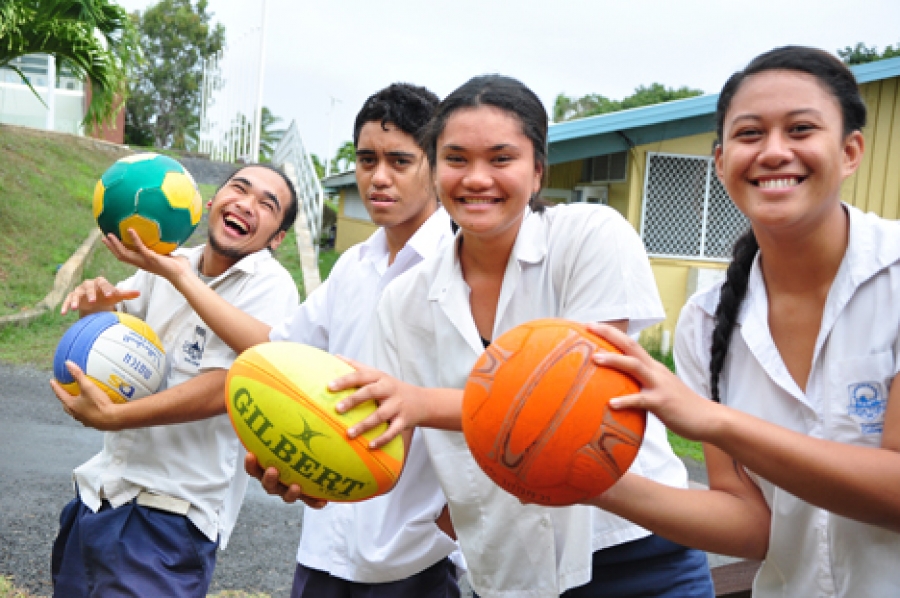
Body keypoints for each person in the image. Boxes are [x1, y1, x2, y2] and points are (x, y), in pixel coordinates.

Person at [332, 75, 714, 597]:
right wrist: (311, 464)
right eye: (457, 159)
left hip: (632, 551)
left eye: (501, 158)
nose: (476, 178)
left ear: (537, 172)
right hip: (508, 569)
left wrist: (420, 402)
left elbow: (581, 401)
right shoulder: (404, 301)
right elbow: (385, 433)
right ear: (436, 171)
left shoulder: (587, 237)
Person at [101, 84, 462, 597]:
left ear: (434, 165)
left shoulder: (460, 270)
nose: (378, 177)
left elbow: (483, 405)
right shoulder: (353, 269)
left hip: (413, 555)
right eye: (366, 159)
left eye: (399, 161)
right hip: (324, 547)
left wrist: (463, 511)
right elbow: (273, 350)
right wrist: (182, 277)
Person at [581, 46, 900, 597]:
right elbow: (752, 526)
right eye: (750, 134)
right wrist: (584, 480)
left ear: (850, 152)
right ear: (721, 162)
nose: (774, 152)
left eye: (801, 129)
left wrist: (714, 420)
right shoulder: (706, 324)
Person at [49, 164, 300, 597]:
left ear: (276, 238)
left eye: (267, 204)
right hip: (100, 493)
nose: (246, 203)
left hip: (172, 514)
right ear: (210, 203)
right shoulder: (167, 262)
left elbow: (228, 386)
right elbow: (116, 351)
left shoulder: (272, 287)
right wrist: (96, 312)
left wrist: (116, 417)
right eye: (239, 189)